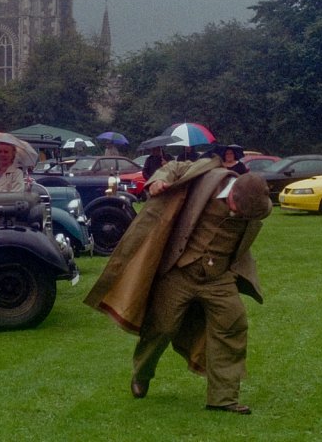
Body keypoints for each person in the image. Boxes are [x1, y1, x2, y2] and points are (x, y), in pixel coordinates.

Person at [84, 153, 273, 415]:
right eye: (236, 208)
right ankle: (142, 373)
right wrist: (157, 181)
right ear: (233, 192)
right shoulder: (209, 177)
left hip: (218, 278)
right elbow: (173, 167)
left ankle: (223, 398)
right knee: (161, 328)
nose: (237, 215)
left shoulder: (256, 204)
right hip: (179, 272)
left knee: (233, 325)